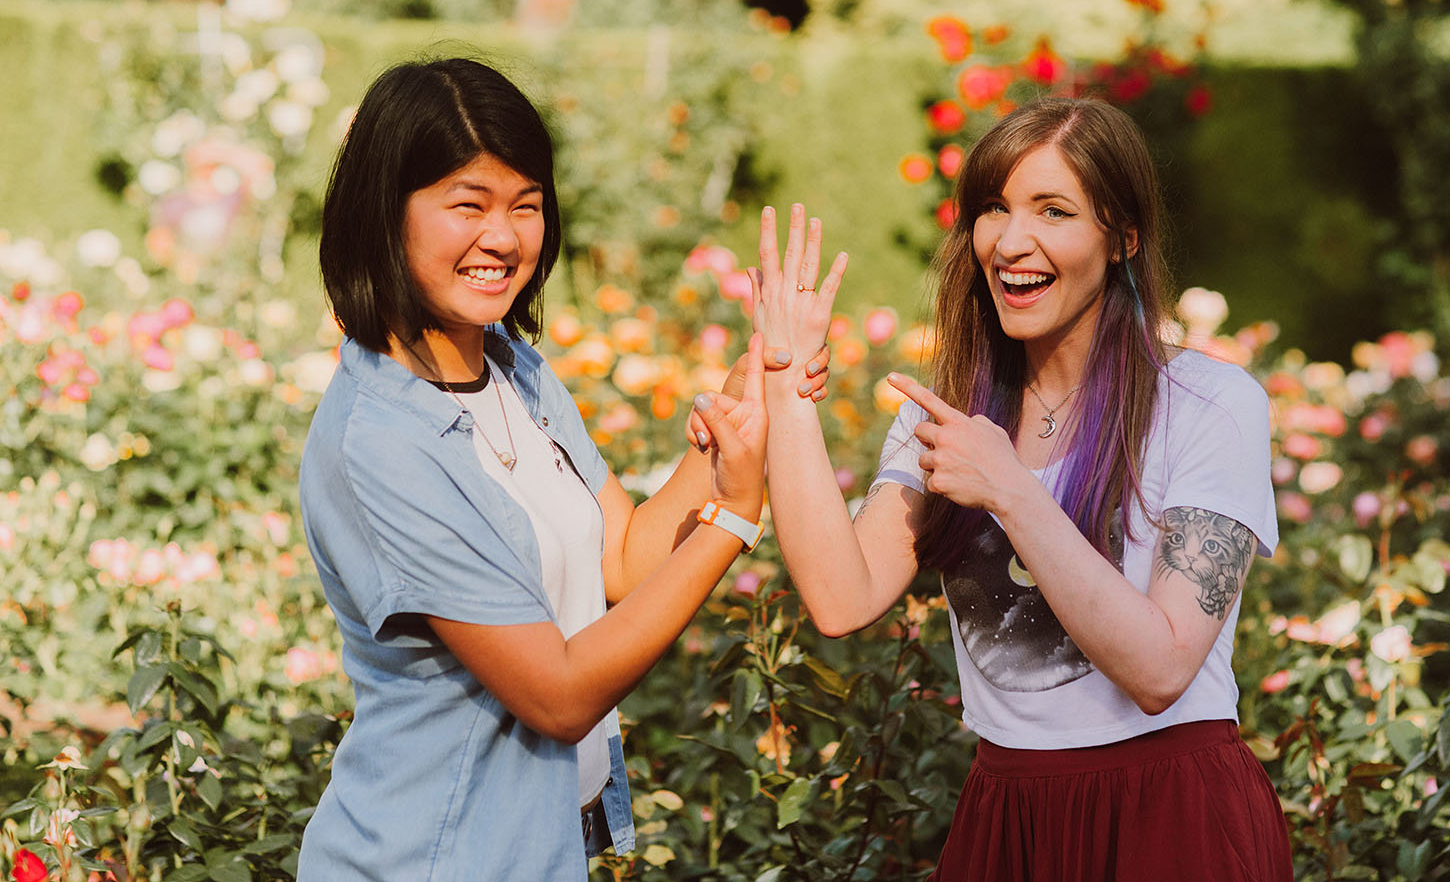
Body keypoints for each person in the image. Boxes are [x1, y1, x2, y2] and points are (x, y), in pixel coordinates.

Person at [296, 57, 829, 881]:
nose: (503, 238)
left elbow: (623, 560)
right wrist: (733, 519)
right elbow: (559, 695)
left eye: (527, 205)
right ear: (385, 214)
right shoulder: (380, 445)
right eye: (466, 205)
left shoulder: (514, 369)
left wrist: (739, 406)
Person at [740, 97, 1294, 880]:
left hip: (1171, 814)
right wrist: (786, 388)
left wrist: (1011, 489)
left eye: (1054, 210)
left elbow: (1162, 672)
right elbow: (840, 597)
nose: (1011, 240)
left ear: (1122, 240)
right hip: (1009, 816)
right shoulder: (948, 418)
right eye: (994, 208)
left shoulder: (1208, 405)